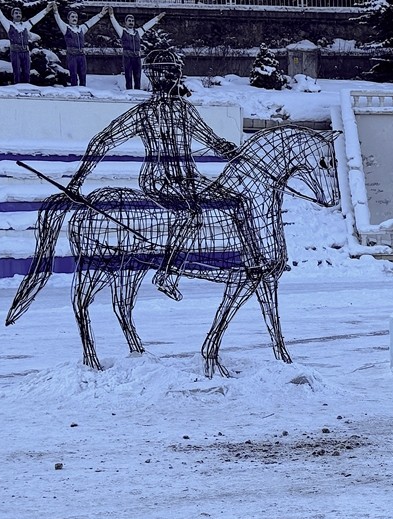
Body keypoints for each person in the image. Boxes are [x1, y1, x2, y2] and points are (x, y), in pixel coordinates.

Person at [63, 49, 252, 301]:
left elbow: (212, 140)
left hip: (189, 178)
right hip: (159, 180)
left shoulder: (185, 110)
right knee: (190, 212)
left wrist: (233, 152)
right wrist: (77, 181)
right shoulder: (144, 113)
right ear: (156, 75)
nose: (174, 76)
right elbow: (103, 140)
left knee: (239, 202)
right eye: (169, 71)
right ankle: (167, 273)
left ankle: (253, 262)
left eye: (176, 71)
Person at [0, 1, 53, 84]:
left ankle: (27, 86)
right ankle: (17, 86)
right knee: (17, 71)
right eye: (16, 13)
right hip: (15, 51)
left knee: (26, 71)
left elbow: (36, 18)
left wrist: (46, 10)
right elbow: (1, 17)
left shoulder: (26, 25)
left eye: (19, 13)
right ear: (12, 15)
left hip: (25, 51)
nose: (18, 14)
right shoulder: (9, 25)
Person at [51, 1, 107, 87]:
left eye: (76, 17)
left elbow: (91, 22)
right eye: (72, 17)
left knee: (83, 75)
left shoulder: (81, 28)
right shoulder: (66, 28)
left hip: (81, 55)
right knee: (73, 75)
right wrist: (55, 11)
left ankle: (83, 90)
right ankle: (74, 91)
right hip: (72, 55)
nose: (75, 18)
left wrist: (101, 14)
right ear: (68, 18)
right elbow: (58, 20)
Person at [107, 8, 163, 90]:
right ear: (125, 22)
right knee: (128, 76)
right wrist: (111, 15)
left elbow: (147, 25)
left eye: (132, 21)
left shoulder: (138, 32)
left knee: (137, 76)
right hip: (127, 57)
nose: (131, 22)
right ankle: (129, 91)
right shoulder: (122, 31)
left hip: (137, 57)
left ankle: (137, 91)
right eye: (129, 21)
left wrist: (157, 18)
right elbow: (115, 24)